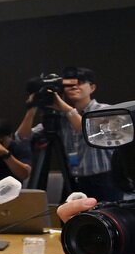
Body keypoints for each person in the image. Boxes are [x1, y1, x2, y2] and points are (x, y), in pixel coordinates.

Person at [17, 67, 114, 201]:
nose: (74, 87)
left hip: (104, 182)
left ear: (92, 87)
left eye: (80, 82)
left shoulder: (104, 111)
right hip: (73, 183)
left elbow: (90, 131)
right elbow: (23, 137)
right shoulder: (61, 117)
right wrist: (32, 109)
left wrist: (66, 109)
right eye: (68, 85)